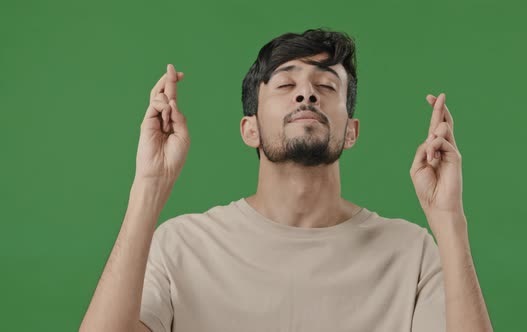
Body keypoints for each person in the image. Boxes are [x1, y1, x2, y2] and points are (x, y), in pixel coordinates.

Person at [79, 28, 493, 332]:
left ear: (351, 131)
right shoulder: (180, 246)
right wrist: (149, 186)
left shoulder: (411, 253)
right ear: (249, 129)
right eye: (286, 83)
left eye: (326, 85)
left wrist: (449, 220)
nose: (306, 94)